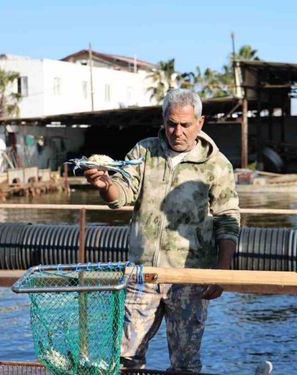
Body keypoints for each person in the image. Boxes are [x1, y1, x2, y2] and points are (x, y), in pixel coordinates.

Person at [84, 88, 240, 373]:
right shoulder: (144, 153)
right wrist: (105, 185)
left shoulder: (217, 166)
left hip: (189, 279)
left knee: (185, 364)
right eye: (171, 123)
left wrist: (222, 270)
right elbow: (122, 195)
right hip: (141, 276)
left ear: (200, 123)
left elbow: (228, 218)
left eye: (185, 125)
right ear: (163, 121)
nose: (177, 131)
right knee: (125, 359)